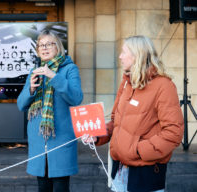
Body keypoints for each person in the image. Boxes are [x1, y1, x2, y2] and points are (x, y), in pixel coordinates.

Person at [89, 35, 184, 192]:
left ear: (137, 55)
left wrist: (138, 150)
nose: (120, 56)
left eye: (123, 52)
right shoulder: (127, 81)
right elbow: (116, 122)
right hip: (119, 172)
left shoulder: (164, 86)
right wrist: (98, 135)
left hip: (145, 174)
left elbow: (174, 132)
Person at [17, 30, 83, 192]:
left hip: (60, 138)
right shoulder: (35, 72)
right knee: (43, 187)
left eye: (48, 44)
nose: (44, 48)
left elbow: (76, 98)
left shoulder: (69, 69)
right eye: (40, 45)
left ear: (58, 47)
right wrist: (31, 89)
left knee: (60, 186)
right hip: (39, 140)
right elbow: (21, 105)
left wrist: (53, 76)